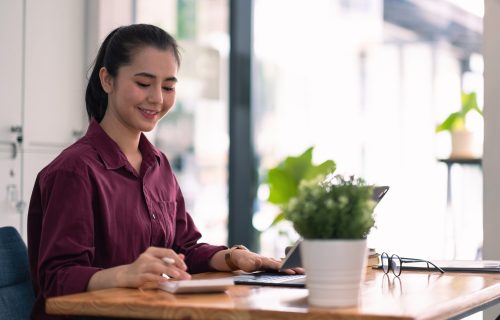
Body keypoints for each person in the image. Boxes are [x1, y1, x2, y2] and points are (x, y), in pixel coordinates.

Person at [27, 24, 302, 320]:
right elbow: (56, 280)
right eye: (144, 83)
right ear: (107, 79)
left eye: (168, 87)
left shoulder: (157, 164)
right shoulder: (74, 171)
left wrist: (233, 257)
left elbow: (184, 248)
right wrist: (126, 274)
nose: (157, 98)